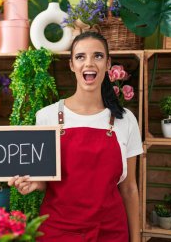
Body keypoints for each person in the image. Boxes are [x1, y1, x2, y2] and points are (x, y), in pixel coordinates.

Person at [9, 31, 143, 242]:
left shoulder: (126, 120)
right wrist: (33, 183)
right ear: (71, 64)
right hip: (57, 232)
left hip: (109, 232)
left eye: (97, 56)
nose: (89, 63)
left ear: (108, 64)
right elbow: (46, 179)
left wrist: (136, 239)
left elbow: (129, 189)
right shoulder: (46, 117)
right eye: (80, 57)